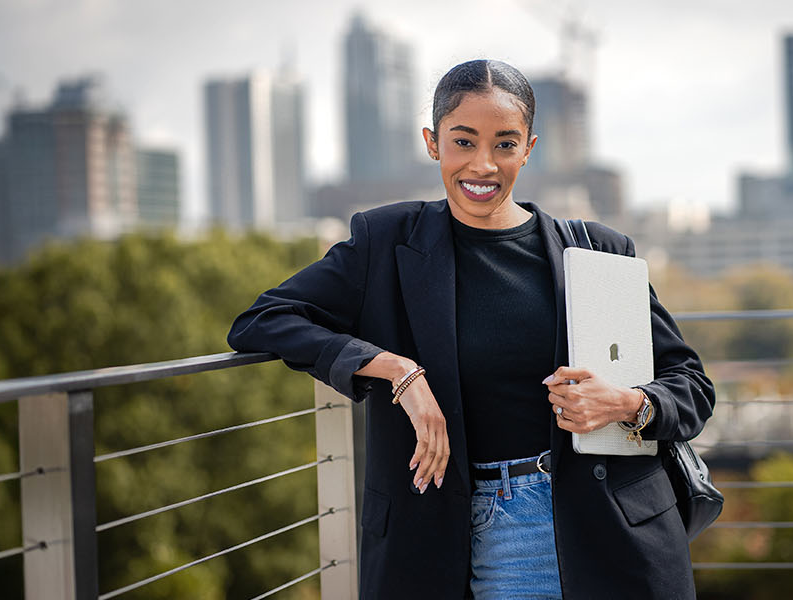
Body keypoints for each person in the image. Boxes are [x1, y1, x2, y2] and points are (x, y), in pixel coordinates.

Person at [227, 59, 713, 599]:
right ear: (433, 143)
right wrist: (395, 370)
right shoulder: (384, 243)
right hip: (463, 529)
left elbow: (690, 386)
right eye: (463, 142)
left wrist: (624, 404)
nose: (482, 165)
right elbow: (262, 320)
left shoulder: (596, 250)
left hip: (613, 531)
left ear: (529, 148)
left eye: (505, 144)